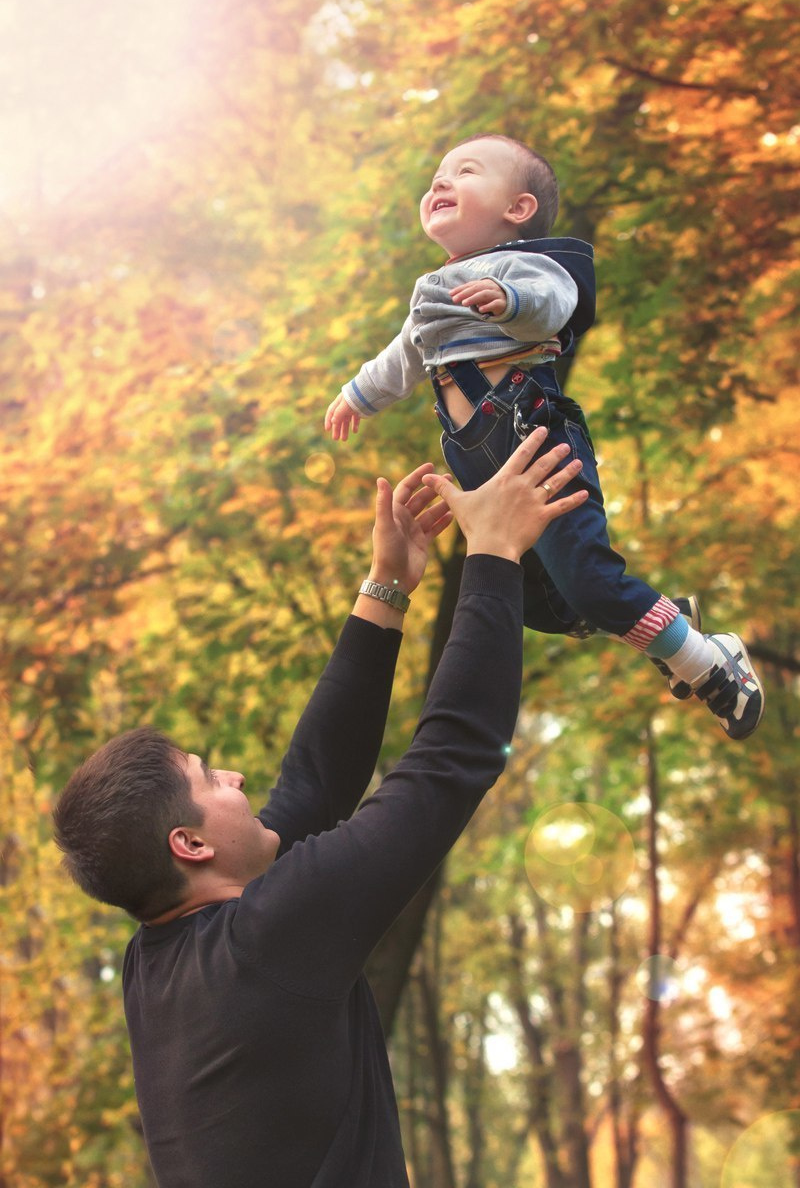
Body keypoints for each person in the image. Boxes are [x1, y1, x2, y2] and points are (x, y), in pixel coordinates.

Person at [53, 429, 587, 1188]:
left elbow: (309, 792)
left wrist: (388, 586)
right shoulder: (268, 938)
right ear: (190, 846)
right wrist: (493, 553)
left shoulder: (160, 962)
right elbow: (449, 764)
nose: (236, 778)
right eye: (211, 780)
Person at [324, 132, 764, 741]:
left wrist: (509, 300)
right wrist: (356, 394)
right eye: (437, 177)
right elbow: (402, 356)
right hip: (482, 463)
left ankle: (710, 662)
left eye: (465, 171)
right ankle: (652, 616)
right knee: (536, 599)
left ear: (518, 209)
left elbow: (555, 301)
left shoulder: (522, 264)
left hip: (535, 438)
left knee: (585, 579)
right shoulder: (431, 290)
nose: (440, 183)